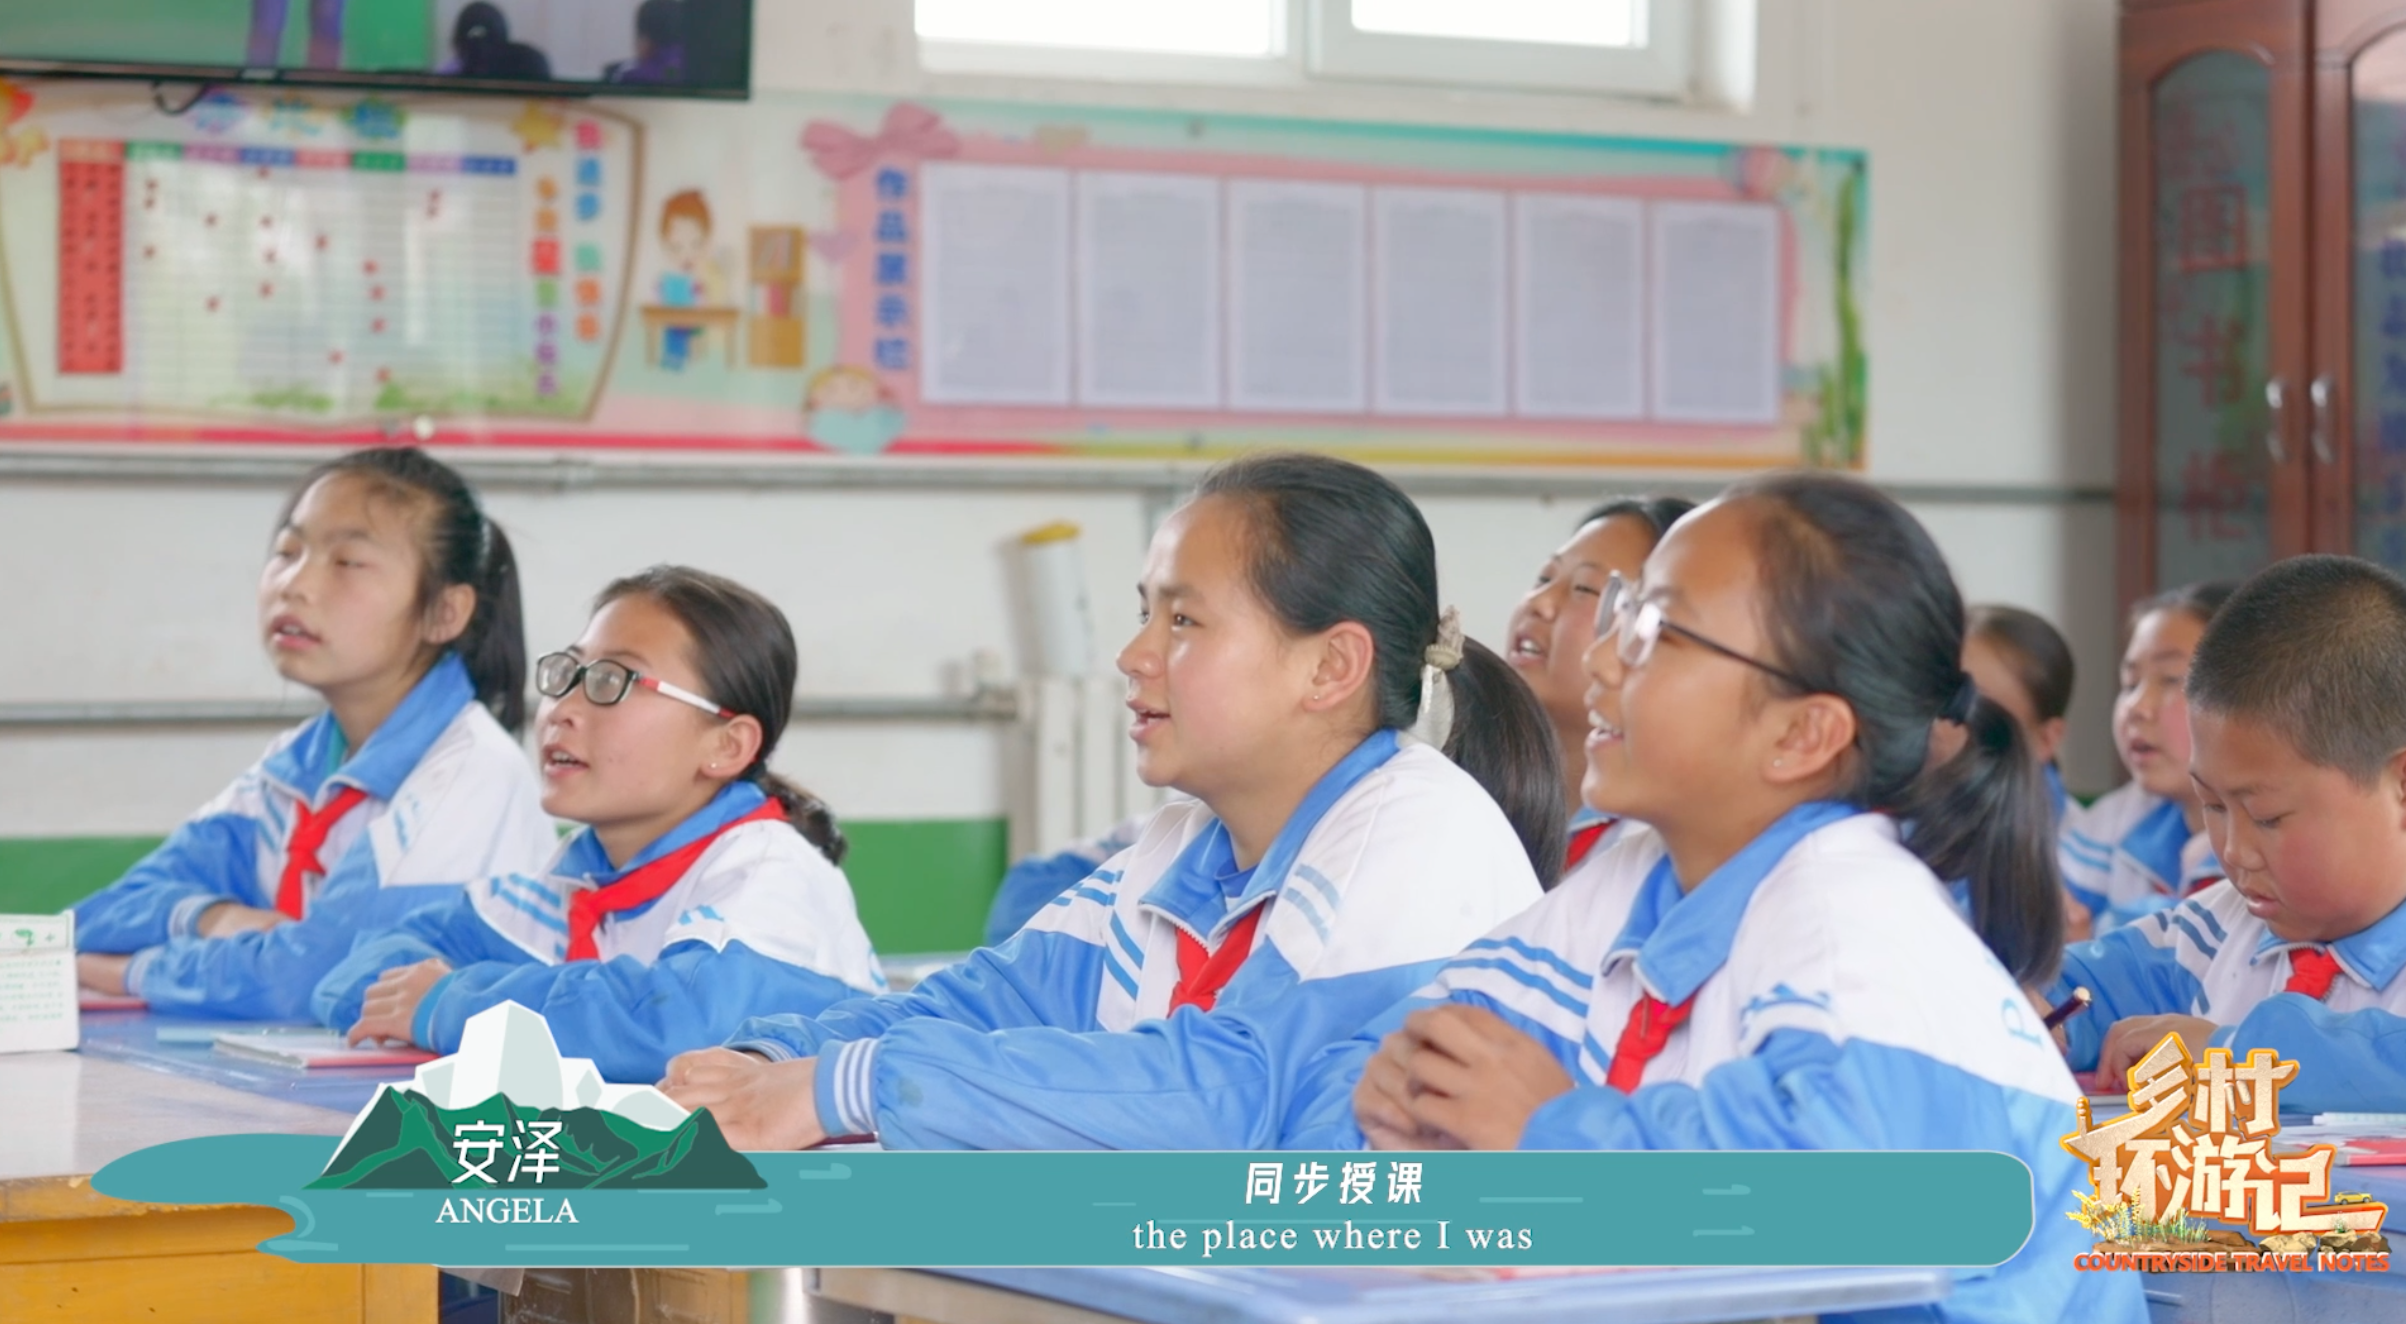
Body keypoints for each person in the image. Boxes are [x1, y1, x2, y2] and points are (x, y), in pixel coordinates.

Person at [1281, 472, 2120, 1324]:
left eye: (1656, 631)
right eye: (1622, 614)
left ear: (1802, 733)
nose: (1603, 658)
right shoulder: (1632, 882)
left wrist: (1551, 1135)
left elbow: (1830, 1200)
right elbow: (1406, 1044)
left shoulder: (1854, 921)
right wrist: (1394, 1101)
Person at [662, 452, 1560, 1149]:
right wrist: (768, 1061)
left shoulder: (1418, 836)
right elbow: (985, 1003)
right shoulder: (1185, 846)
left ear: (1330, 666)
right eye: (1144, 615)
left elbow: (1229, 1100)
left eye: (1184, 620)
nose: (1134, 657)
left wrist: (849, 1086)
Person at [312, 567, 883, 1084]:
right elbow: (355, 975)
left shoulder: (768, 874)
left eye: (614, 682)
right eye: (566, 674)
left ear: (726, 746)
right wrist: (438, 1000)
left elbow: (682, 1029)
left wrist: (453, 1005)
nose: (562, 709)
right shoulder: (566, 888)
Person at [74, 447, 554, 1020]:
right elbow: (93, 919)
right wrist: (210, 917)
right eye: (287, 552)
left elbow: (309, 981)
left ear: (443, 613)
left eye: (347, 562)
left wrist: (132, 972)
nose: (295, 584)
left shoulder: (468, 775)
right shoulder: (297, 763)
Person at [2047, 556, 2406, 1111]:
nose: (2234, 853)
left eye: (2267, 817)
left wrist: (2233, 1055)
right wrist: (2040, 1013)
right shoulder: (2214, 930)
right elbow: (2089, 984)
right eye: (2212, 805)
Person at [2059, 583, 2233, 937]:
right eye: (2130, 682)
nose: (2137, 707)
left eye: (2170, 679)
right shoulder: (2118, 819)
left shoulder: (2271, 855)